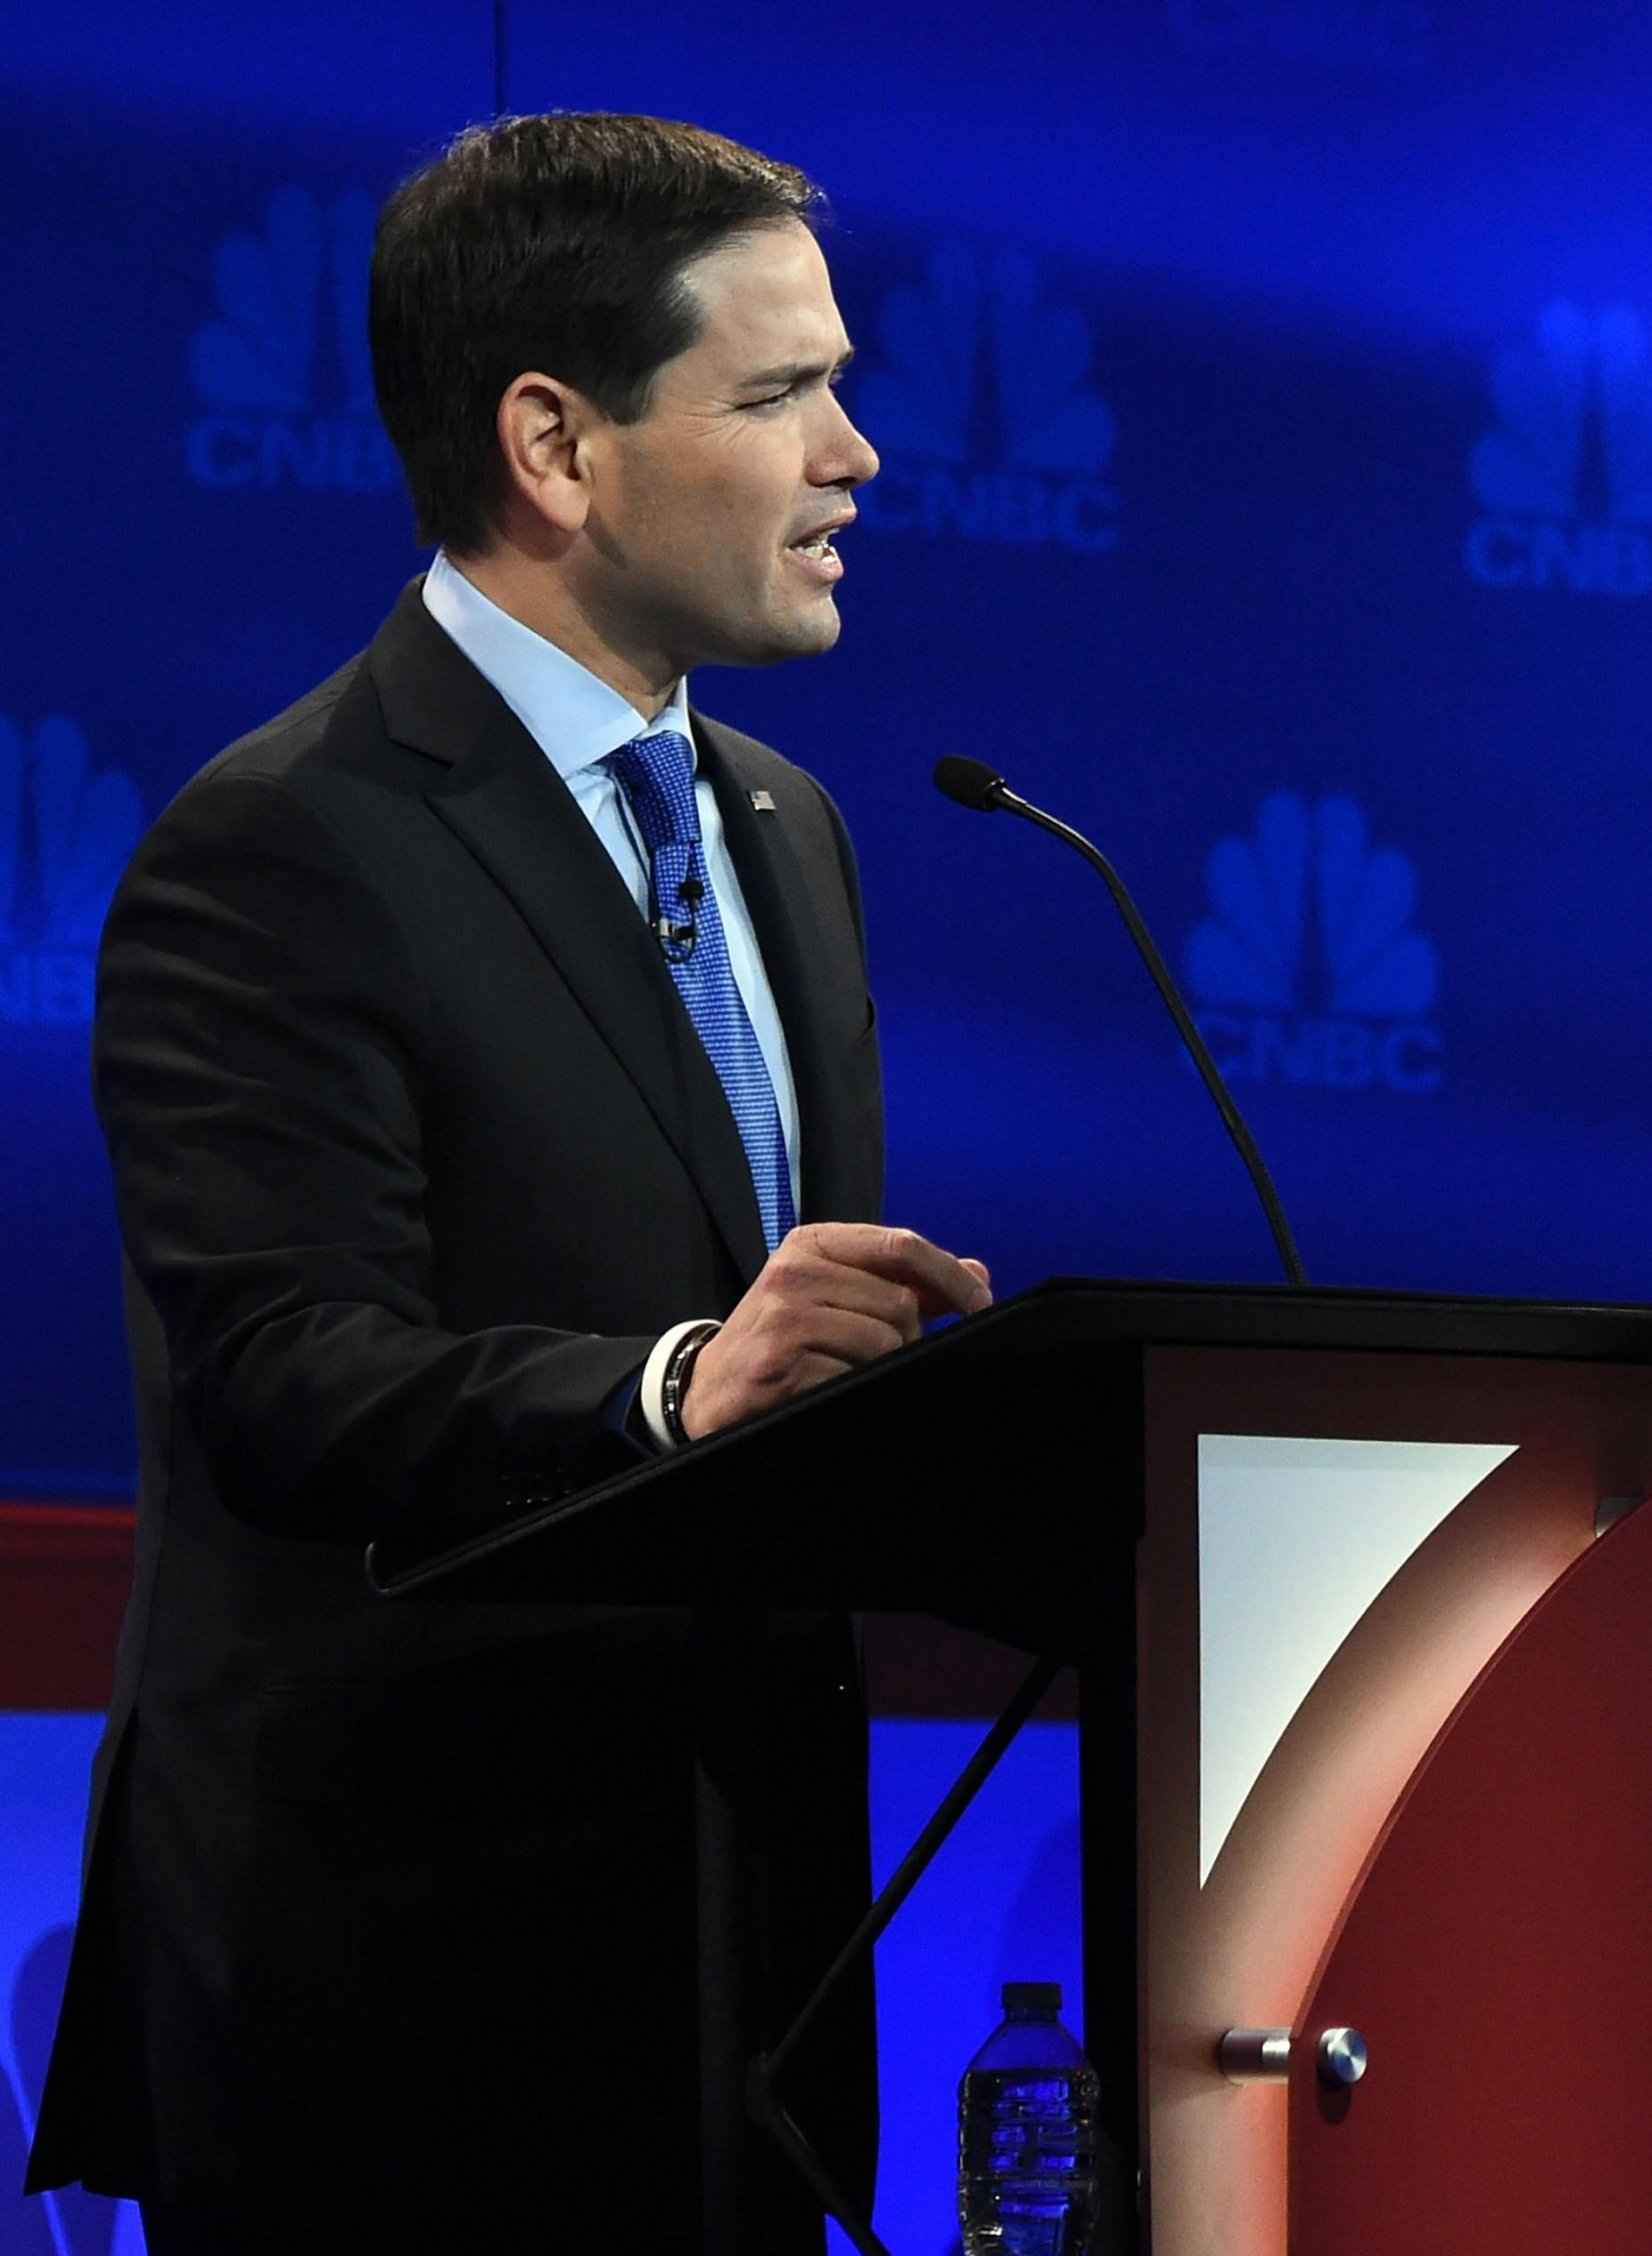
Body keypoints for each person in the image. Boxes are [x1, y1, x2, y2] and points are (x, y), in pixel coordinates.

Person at [23, 113, 991, 2252]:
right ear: (554, 444)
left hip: (746, 2010)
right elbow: (280, 1377)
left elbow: (786, 1389)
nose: (859, 456)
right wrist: (669, 1390)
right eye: (781, 394)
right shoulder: (283, 842)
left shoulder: (787, 827)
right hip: (398, 2020)